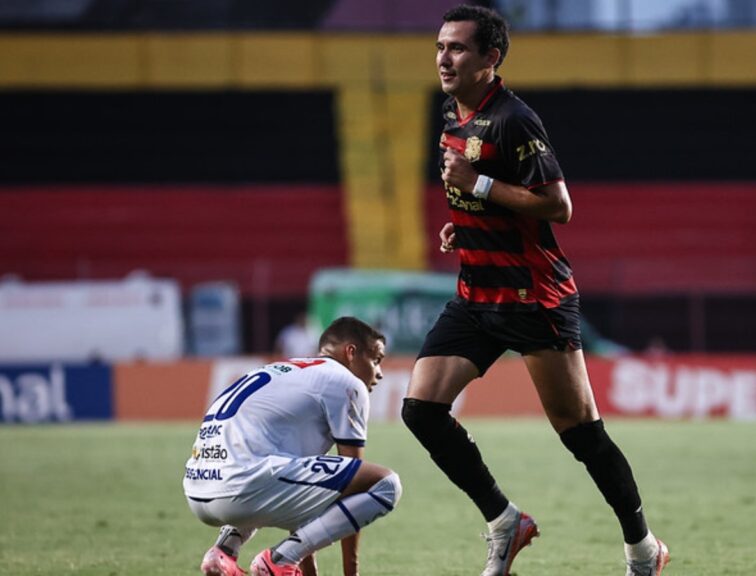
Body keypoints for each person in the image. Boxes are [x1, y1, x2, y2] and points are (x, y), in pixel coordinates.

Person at [401, 6, 669, 576]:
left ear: (490, 59)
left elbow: (558, 206)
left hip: (533, 299)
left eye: (457, 49)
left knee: (581, 435)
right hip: (476, 295)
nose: (444, 58)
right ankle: (505, 522)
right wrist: (465, 218)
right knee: (421, 410)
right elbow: (487, 199)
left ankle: (644, 548)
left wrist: (478, 186)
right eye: (440, 47)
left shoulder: (514, 119)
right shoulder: (452, 113)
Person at [183, 317, 400, 576]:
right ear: (351, 352)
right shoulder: (345, 382)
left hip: (198, 490)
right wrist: (350, 572)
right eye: (376, 359)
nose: (379, 372)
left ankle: (224, 550)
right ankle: (280, 559)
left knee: (278, 473)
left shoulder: (286, 370)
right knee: (386, 485)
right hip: (242, 486)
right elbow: (352, 484)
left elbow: (304, 494)